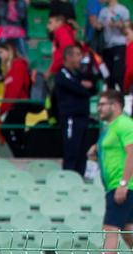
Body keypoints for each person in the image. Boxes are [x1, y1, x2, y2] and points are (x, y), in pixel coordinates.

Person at [93, 89, 133, 254]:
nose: (98, 108)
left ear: (115, 105)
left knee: (110, 228)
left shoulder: (124, 123)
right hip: (116, 186)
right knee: (127, 229)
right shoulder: (111, 127)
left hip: (122, 185)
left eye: (102, 104)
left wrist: (123, 184)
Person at [54, 44, 99, 175]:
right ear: (69, 57)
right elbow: (81, 90)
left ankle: (79, 182)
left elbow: (92, 88)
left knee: (81, 154)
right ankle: (68, 182)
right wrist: (83, 87)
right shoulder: (62, 74)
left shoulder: (78, 75)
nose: (81, 58)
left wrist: (85, 86)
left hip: (83, 118)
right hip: (71, 119)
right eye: (78, 54)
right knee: (72, 152)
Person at [0, 40, 36, 154]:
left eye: (1, 52)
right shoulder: (13, 67)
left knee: (6, 130)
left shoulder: (17, 65)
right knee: (18, 133)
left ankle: (20, 155)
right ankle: (22, 154)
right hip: (15, 105)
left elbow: (14, 90)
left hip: (19, 105)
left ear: (9, 51)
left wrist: (2, 109)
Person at [97, 0, 129, 89]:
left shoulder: (123, 10)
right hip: (106, 46)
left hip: (119, 44)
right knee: (108, 76)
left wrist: (119, 25)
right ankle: (111, 97)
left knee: (118, 73)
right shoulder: (103, 11)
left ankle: (124, 94)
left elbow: (127, 29)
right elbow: (98, 26)